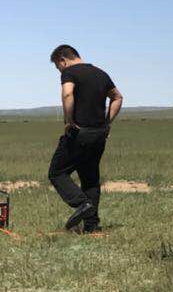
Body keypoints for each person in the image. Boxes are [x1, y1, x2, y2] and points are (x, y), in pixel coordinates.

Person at [48, 46, 123, 232]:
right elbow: (118, 97)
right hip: (98, 134)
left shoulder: (70, 72)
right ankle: (92, 226)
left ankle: (82, 203)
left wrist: (69, 121)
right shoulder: (101, 74)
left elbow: (67, 93)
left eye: (58, 66)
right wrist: (106, 123)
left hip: (79, 132)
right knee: (90, 178)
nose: (60, 70)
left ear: (63, 60)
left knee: (57, 172)